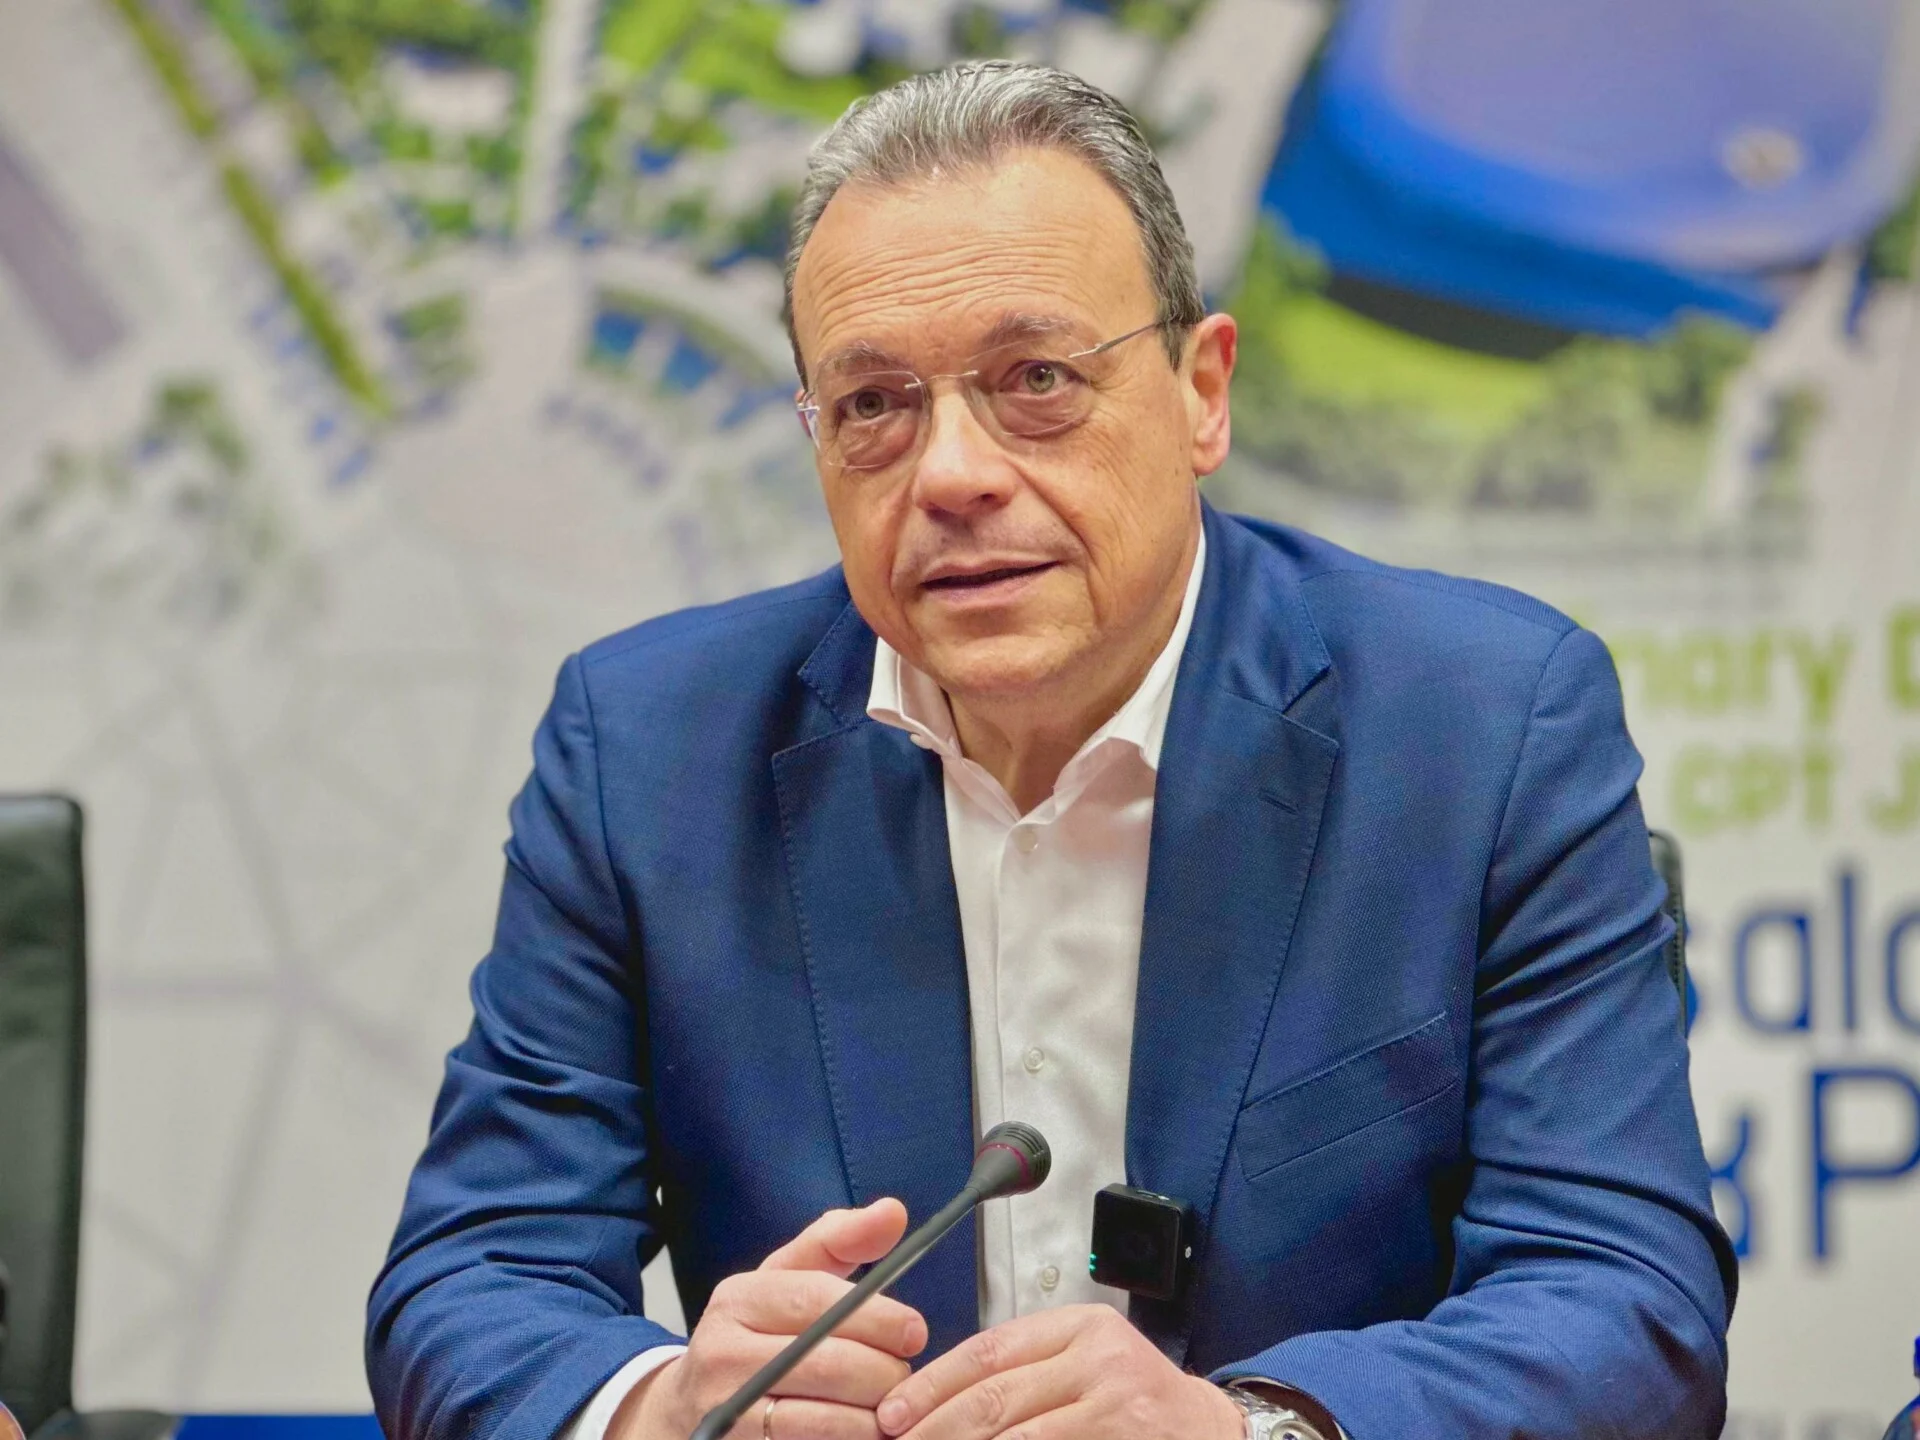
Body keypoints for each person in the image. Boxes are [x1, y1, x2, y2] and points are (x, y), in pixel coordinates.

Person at [367, 61, 1735, 1440]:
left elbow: (1623, 1299)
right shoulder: (648, 753)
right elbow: (470, 1280)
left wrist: (1247, 1433)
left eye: (1035, 379)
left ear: (1202, 392)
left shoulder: (1482, 729)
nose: (952, 474)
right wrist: (663, 1412)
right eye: (874, 404)